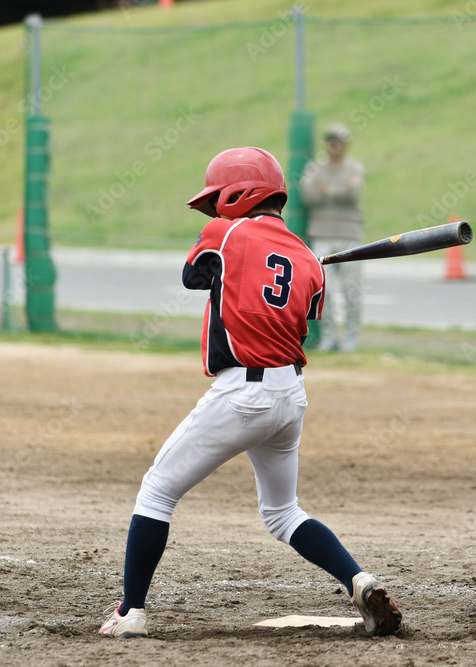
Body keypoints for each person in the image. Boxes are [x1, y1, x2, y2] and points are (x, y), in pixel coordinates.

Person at [99, 147, 401, 639]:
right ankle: (359, 580)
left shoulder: (225, 232)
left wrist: (243, 260)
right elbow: (293, 315)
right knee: (283, 512)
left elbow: (193, 275)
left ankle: (130, 613)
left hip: (242, 394)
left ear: (241, 193)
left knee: (157, 491)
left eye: (220, 198)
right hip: (290, 396)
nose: (215, 209)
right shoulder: (309, 260)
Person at [299, 123, 366, 352]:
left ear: (346, 145)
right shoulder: (315, 168)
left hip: (350, 234)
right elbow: (307, 194)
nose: (334, 146)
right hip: (322, 234)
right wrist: (336, 189)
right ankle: (329, 337)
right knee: (323, 290)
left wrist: (326, 189)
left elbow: (352, 193)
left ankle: (351, 338)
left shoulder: (354, 168)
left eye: (338, 142)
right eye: (330, 142)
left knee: (352, 291)